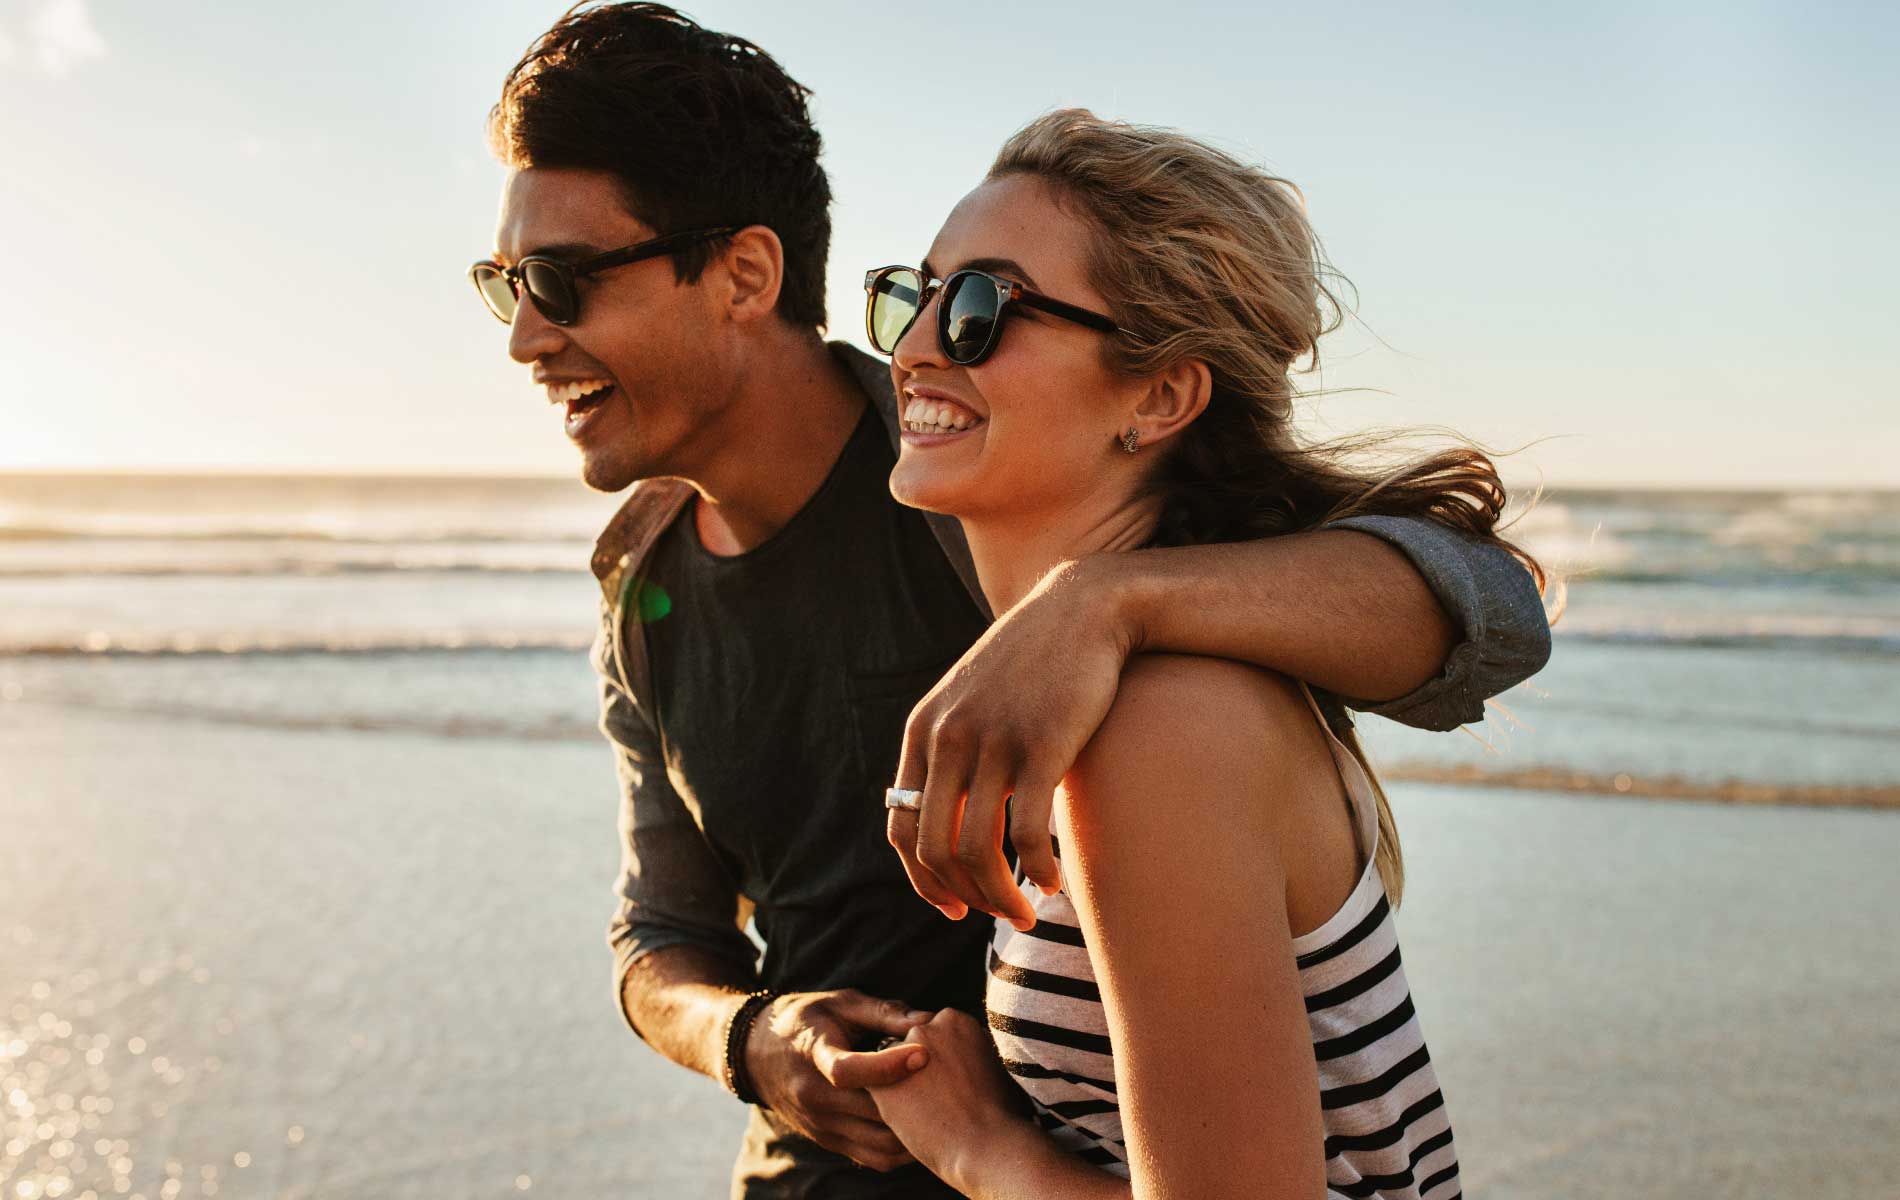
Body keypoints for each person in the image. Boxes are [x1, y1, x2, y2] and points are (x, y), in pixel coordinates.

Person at [471, 6, 1550, 1196]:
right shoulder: (644, 587)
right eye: (507, 283)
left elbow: (1491, 611)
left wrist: (1100, 606)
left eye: (561, 282)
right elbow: (660, 933)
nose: (523, 337)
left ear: (743, 274)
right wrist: (753, 1038)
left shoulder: (991, 491)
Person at [859, 112, 1535, 1198]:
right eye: (912, 294)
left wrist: (975, 1147)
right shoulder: (1135, 686)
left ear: (1160, 396)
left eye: (981, 308)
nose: (917, 345)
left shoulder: (1158, 728)